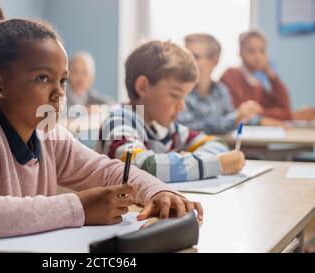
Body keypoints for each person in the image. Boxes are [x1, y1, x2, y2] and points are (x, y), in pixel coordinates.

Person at [0, 1, 203, 248]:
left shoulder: (48, 136)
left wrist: (158, 192)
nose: (59, 92)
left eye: (61, 80)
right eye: (43, 78)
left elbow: (108, 171)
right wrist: (79, 207)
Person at [95, 41, 245, 183]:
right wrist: (215, 164)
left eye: (184, 97)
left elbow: (215, 143)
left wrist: (191, 161)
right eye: (175, 95)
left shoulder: (167, 129)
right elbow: (142, 167)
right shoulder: (118, 121)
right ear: (143, 87)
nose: (182, 106)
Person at [178, 33, 283, 134]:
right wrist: (236, 118)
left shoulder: (221, 91)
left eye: (195, 57)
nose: (186, 62)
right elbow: (186, 128)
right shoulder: (179, 92)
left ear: (214, 61)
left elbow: (232, 116)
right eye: (184, 56)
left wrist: (259, 120)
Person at [221, 30, 315, 121]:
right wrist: (291, 116)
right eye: (251, 51)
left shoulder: (256, 83)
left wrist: (271, 75)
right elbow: (244, 113)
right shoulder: (231, 75)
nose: (257, 56)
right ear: (240, 53)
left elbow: (283, 107)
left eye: (262, 51)